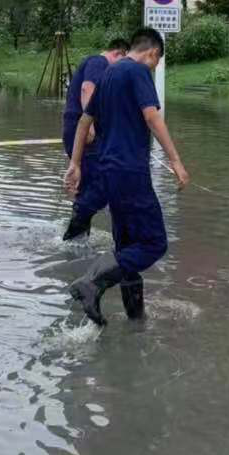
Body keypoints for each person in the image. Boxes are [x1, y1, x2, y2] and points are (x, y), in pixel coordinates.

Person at [64, 27, 189, 326]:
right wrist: (176, 160)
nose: (154, 67)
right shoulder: (137, 71)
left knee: (127, 249)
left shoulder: (107, 74)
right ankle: (91, 283)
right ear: (152, 53)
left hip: (107, 172)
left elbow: (84, 121)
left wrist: (76, 164)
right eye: (156, 63)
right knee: (154, 243)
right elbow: (152, 116)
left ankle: (137, 321)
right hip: (129, 171)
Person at [61, 38, 131, 240]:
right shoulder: (99, 62)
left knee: (91, 184)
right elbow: (87, 89)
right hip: (82, 131)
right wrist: (89, 125)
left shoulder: (99, 66)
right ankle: (74, 237)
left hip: (78, 131)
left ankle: (78, 241)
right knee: (101, 182)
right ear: (119, 54)